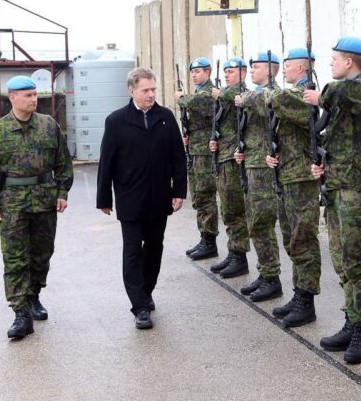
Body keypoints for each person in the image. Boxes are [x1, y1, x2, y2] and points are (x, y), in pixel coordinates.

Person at [303, 37, 361, 362]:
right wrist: (322, 162)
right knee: (342, 259)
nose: (331, 64)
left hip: (359, 190)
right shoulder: (340, 102)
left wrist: (318, 94)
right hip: (337, 188)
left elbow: (339, 93)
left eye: (335, 59)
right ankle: (351, 320)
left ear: (349, 62)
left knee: (359, 260)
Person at [0, 75, 73, 339]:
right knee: (15, 259)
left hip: (44, 201)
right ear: (13, 98)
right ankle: (20, 312)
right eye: (28, 95)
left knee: (42, 255)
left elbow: (63, 162)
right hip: (13, 204)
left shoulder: (48, 126)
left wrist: (62, 191)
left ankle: (34, 295)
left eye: (34, 95)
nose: (34, 100)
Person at [97, 68, 186, 330]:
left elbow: (178, 159)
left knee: (155, 248)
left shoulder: (166, 118)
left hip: (159, 197)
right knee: (133, 250)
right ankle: (139, 306)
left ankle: (146, 291)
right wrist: (104, 198)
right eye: (146, 90)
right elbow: (107, 162)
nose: (151, 94)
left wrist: (179, 191)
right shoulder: (116, 121)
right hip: (130, 198)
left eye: (153, 89)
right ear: (132, 90)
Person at [265, 47, 322, 328]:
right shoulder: (290, 96)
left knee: (304, 239)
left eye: (288, 65)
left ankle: (307, 300)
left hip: (302, 177)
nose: (283, 69)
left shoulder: (305, 95)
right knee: (291, 238)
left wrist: (268, 93)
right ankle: (299, 293)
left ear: (302, 69)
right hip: (287, 174)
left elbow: (280, 100)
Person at [234, 51, 284, 302]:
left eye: (257, 66)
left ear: (271, 69)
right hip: (252, 164)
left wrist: (243, 98)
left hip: (265, 168)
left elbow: (260, 105)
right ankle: (265, 273)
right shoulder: (252, 95)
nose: (251, 70)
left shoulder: (273, 94)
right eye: (251, 66)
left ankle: (272, 277)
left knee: (262, 222)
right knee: (254, 221)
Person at [208, 58, 250, 278]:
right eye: (225, 71)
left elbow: (231, 97)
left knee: (235, 210)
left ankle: (240, 255)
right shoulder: (225, 95)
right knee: (228, 210)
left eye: (231, 71)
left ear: (243, 74)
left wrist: (219, 94)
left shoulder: (241, 94)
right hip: (223, 157)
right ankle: (234, 252)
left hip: (235, 160)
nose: (227, 75)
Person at [176, 57, 219, 260]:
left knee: (205, 195)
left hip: (204, 152)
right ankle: (204, 237)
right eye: (192, 72)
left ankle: (209, 241)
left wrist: (180, 97)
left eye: (199, 71)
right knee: (199, 196)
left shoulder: (209, 92)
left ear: (208, 72)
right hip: (195, 149)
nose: (194, 75)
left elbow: (195, 102)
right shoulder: (197, 92)